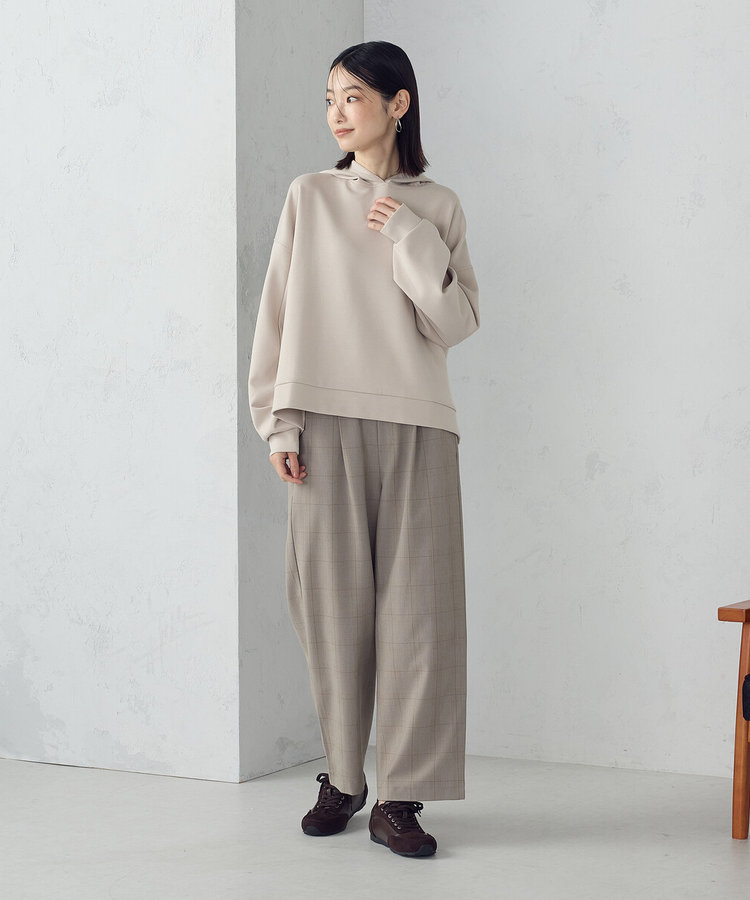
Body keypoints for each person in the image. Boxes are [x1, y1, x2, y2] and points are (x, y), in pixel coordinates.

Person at [248, 40, 479, 858]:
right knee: (331, 611)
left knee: (422, 620)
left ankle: (400, 798)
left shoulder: (438, 206)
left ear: (398, 103)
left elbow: (455, 324)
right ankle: (344, 777)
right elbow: (277, 314)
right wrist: (277, 421)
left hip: (420, 425)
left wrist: (409, 236)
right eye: (329, 99)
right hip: (321, 423)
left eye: (352, 96)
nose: (337, 113)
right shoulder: (310, 196)